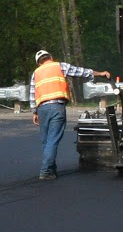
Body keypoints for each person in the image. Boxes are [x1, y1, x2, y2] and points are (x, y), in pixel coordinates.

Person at [30, 48, 111, 180]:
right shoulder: (59, 66)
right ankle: (45, 171)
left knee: (46, 141)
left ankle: (51, 169)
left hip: (42, 109)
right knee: (53, 140)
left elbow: (32, 93)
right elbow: (81, 72)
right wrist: (100, 73)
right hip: (56, 107)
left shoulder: (36, 73)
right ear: (50, 56)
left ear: (39, 63)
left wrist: (34, 112)